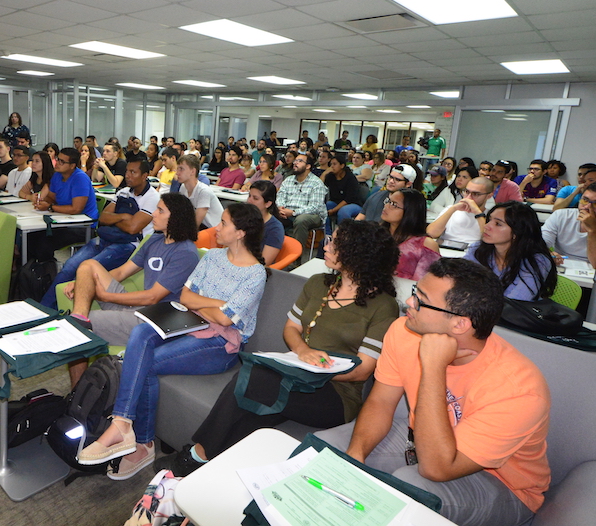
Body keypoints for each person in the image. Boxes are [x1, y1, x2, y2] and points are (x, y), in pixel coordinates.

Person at [316, 258, 550, 526]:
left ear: (460, 324)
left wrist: (434, 366)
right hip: (422, 442)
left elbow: (436, 467)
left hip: (502, 482)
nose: (409, 303)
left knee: (410, 485)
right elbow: (381, 401)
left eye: (421, 300)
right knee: (328, 453)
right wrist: (355, 456)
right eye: (415, 291)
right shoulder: (404, 332)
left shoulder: (520, 390)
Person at [158, 220, 400, 476]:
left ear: (358, 253)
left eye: (335, 243)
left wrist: (311, 369)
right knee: (254, 407)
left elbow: (363, 370)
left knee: (252, 380)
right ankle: (211, 468)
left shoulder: (383, 306)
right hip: (294, 372)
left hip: (335, 393)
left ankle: (195, 456)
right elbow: (291, 329)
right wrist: (302, 353)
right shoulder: (318, 283)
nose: (325, 246)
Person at [77, 204, 268, 480]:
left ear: (240, 233)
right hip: (188, 324)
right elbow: (186, 298)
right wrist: (219, 305)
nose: (216, 228)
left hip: (221, 344)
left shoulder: (255, 273)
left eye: (223, 223)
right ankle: (122, 424)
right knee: (140, 334)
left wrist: (211, 308)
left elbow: (227, 322)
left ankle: (142, 443)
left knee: (145, 362)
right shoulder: (212, 257)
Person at [65, 193, 201, 384]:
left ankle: (76, 393)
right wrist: (82, 282)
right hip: (139, 309)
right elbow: (121, 272)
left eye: (160, 210)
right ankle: (79, 316)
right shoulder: (154, 240)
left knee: (83, 325)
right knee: (88, 266)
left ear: (176, 218)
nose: (153, 214)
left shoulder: (185, 253)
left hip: (155, 320)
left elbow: (152, 298)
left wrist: (107, 296)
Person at [40, 157, 159, 309]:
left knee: (84, 269)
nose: (128, 175)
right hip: (105, 238)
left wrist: (117, 220)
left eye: (133, 172)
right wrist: (124, 217)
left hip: (128, 245)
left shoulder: (153, 197)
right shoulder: (122, 192)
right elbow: (103, 217)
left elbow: (132, 228)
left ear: (144, 176)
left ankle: (63, 312)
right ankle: (44, 309)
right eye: (127, 171)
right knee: (69, 266)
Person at [465, 202, 557, 301]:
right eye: (489, 220)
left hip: (514, 314)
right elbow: (458, 281)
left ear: (516, 233)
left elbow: (516, 301)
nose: (486, 226)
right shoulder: (478, 249)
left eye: (498, 224)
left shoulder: (537, 261)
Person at [381, 188, 441, 280]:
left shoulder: (425, 245)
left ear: (410, 211)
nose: (386, 206)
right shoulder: (377, 234)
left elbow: (424, 282)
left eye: (394, 204)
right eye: (388, 201)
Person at [276, 153, 327, 248]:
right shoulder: (288, 180)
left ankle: (295, 258)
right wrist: (280, 208)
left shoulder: (316, 183)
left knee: (301, 220)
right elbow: (280, 196)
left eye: (300, 161)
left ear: (308, 166)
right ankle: (271, 252)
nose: (295, 163)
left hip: (311, 215)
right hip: (287, 212)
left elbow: (315, 207)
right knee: (269, 215)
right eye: (295, 160)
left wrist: (293, 212)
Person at [427, 176, 494, 245]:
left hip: (472, 251)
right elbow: (431, 233)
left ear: (489, 196)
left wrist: (477, 212)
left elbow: (490, 238)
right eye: (467, 192)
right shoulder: (451, 209)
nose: (469, 198)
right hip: (447, 250)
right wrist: (453, 209)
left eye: (476, 194)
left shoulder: (492, 215)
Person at [542, 183, 596, 264]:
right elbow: (540, 244)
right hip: (561, 264)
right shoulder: (561, 215)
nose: (587, 206)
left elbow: (595, 263)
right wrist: (548, 254)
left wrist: (592, 231)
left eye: (595, 204)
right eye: (585, 200)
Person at [175, 154, 222, 229]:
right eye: (177, 169)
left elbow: (195, 224)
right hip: (201, 228)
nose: (177, 173)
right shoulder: (183, 187)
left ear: (193, 171)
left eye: (181, 169)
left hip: (214, 230)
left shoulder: (203, 191)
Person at [245, 180, 285, 265]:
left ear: (268, 204)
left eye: (255, 198)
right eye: (249, 196)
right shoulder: (242, 217)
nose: (249, 201)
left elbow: (264, 263)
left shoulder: (275, 228)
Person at [324, 154, 365, 234]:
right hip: (336, 202)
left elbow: (348, 199)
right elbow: (320, 186)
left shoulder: (350, 178)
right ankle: (327, 234)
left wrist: (333, 210)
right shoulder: (331, 176)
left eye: (334, 164)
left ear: (342, 165)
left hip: (353, 204)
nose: (332, 166)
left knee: (343, 211)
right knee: (325, 207)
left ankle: (343, 236)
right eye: (331, 164)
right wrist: (325, 173)